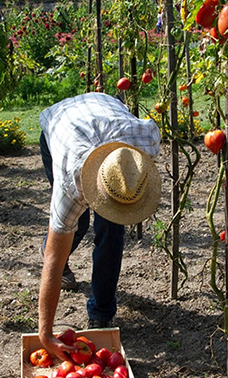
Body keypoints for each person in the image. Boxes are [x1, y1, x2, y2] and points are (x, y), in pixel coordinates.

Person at [37, 92, 162, 361]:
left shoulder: (141, 148)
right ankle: (60, 250)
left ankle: (101, 314)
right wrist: (45, 335)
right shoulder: (71, 185)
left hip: (103, 106)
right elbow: (51, 262)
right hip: (60, 125)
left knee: (112, 230)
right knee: (75, 226)